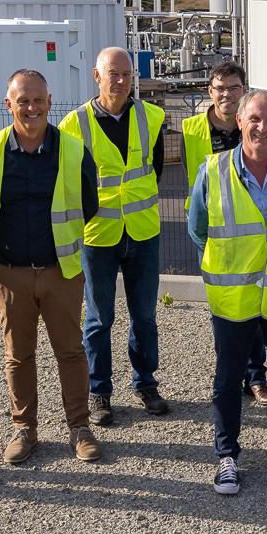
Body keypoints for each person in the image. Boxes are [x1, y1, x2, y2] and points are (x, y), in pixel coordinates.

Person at [0, 69, 101, 463]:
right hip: (9, 273)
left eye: (38, 99)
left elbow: (89, 204)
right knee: (18, 354)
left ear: (49, 101)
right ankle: (24, 430)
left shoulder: (74, 150)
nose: (31, 107)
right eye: (22, 100)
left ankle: (80, 427)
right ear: (8, 104)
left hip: (62, 270)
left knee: (71, 352)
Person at [188, 90, 267, 494]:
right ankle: (226, 456)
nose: (263, 128)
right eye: (255, 120)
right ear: (240, 121)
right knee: (228, 378)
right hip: (233, 296)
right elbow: (198, 228)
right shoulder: (213, 169)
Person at [59, 47, 168, 426]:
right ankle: (100, 390)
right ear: (97, 76)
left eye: (127, 74)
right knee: (99, 318)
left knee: (145, 316)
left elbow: (155, 171)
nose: (121, 81)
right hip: (98, 234)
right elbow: (70, 182)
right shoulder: (73, 125)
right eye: (113, 74)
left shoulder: (152, 117)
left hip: (142, 232)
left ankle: (146, 383)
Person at [182, 62, 267, 408]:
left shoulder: (255, 127)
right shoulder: (191, 129)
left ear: (244, 91)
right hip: (214, 235)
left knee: (257, 309)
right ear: (210, 91)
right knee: (222, 310)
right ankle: (230, 375)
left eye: (234, 88)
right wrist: (206, 242)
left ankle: (256, 377)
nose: (227, 94)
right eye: (220, 88)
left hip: (254, 234)